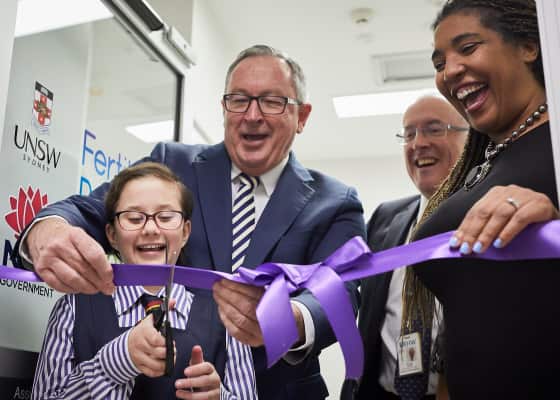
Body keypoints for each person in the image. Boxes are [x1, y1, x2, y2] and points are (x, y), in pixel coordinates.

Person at [15, 45, 365, 399]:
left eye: (272, 101)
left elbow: (340, 294)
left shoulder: (335, 202)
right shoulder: (173, 163)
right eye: (239, 100)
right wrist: (49, 227)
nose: (252, 115)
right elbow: (94, 210)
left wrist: (288, 320)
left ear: (302, 116)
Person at [402, 1, 560, 399]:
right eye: (440, 62)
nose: (449, 71)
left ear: (528, 46)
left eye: (468, 48)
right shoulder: (480, 165)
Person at [31, 162, 257, 399]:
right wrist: (117, 361)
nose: (150, 228)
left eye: (166, 216)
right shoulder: (74, 308)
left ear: (186, 232)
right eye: (134, 218)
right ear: (112, 236)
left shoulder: (227, 316)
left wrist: (219, 396)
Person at [341, 96, 468, 400]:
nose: (418, 143)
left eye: (434, 129)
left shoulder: (489, 217)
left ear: (470, 138)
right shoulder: (386, 217)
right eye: (408, 134)